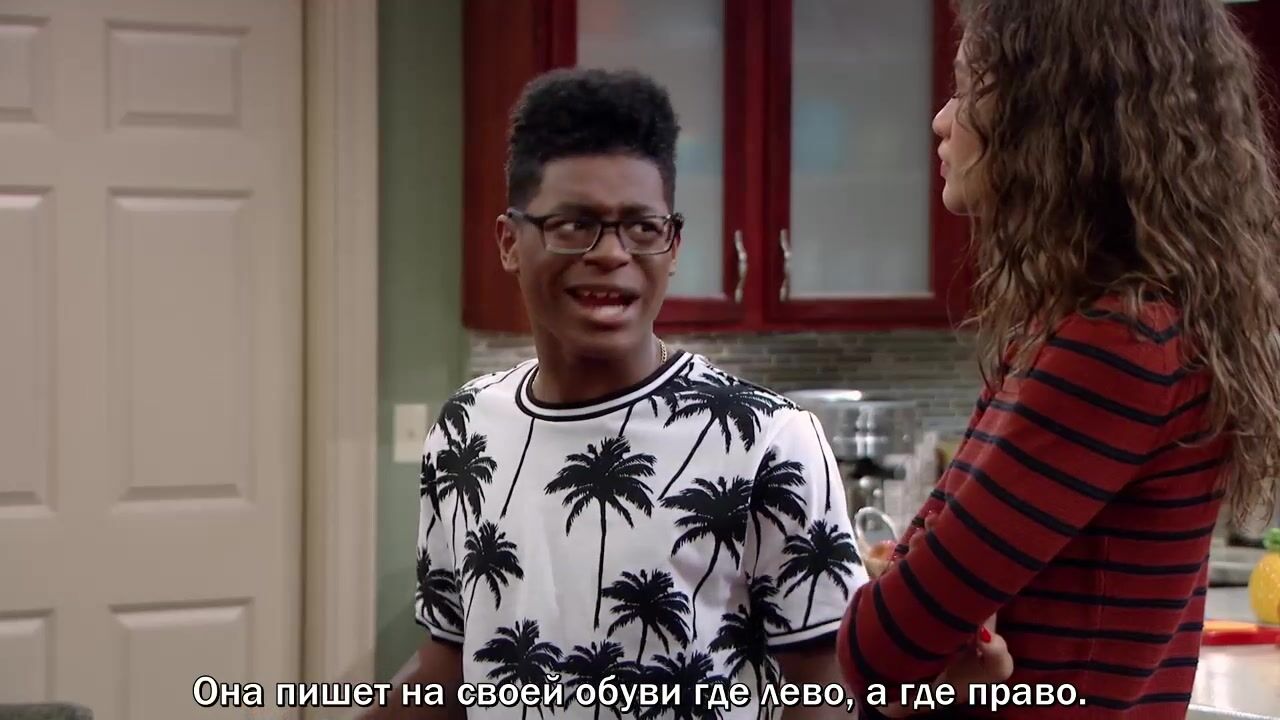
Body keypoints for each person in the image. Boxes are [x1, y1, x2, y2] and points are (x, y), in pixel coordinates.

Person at [367, 67, 873, 720]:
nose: (611, 253)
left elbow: (827, 686)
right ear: (509, 243)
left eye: (641, 227)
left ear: (673, 246)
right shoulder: (466, 428)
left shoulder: (768, 440)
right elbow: (447, 662)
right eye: (573, 224)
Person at [836, 0, 1280, 718]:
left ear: (1052, 119)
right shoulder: (1123, 326)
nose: (942, 121)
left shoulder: (1116, 346)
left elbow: (880, 646)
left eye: (968, 88)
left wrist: (926, 642)